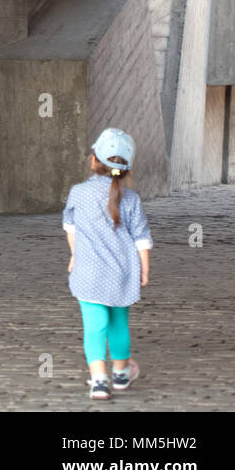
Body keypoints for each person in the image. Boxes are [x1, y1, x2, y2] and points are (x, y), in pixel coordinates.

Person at [62, 127, 153, 400]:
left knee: (94, 325)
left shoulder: (78, 193)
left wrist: (75, 254)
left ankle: (99, 380)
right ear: (126, 168)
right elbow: (141, 238)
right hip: (122, 273)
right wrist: (144, 269)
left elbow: (70, 227)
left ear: (93, 160)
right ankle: (122, 374)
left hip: (88, 273)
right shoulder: (132, 199)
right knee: (118, 323)